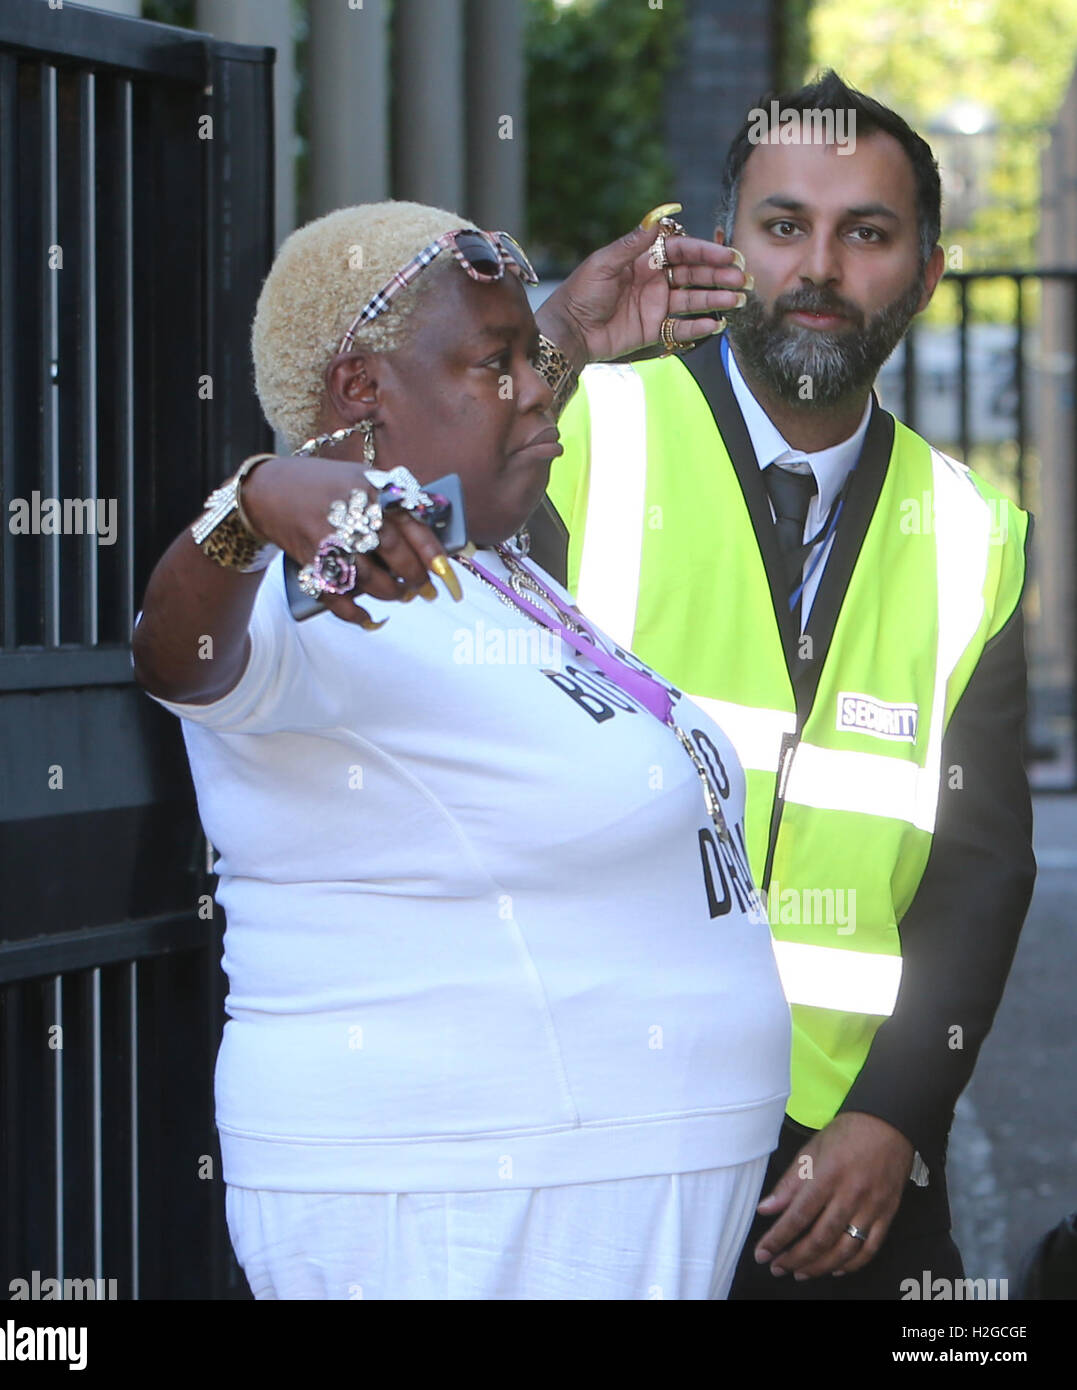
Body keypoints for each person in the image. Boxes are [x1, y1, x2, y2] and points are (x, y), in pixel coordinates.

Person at [131, 200, 792, 1300]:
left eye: (532, 359)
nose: (535, 385)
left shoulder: (483, 572)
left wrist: (560, 331)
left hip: (577, 1196)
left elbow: (476, 411)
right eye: (501, 361)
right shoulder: (319, 593)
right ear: (360, 392)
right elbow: (175, 656)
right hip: (448, 1211)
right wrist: (251, 504)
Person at [528, 71, 1035, 1299]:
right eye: (781, 225)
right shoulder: (581, 432)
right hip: (589, 1124)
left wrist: (897, 1117)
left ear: (924, 272)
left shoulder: (972, 536)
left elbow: (979, 869)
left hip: (835, 1173)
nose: (819, 267)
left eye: (865, 233)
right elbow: (360, 520)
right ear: (723, 246)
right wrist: (552, 341)